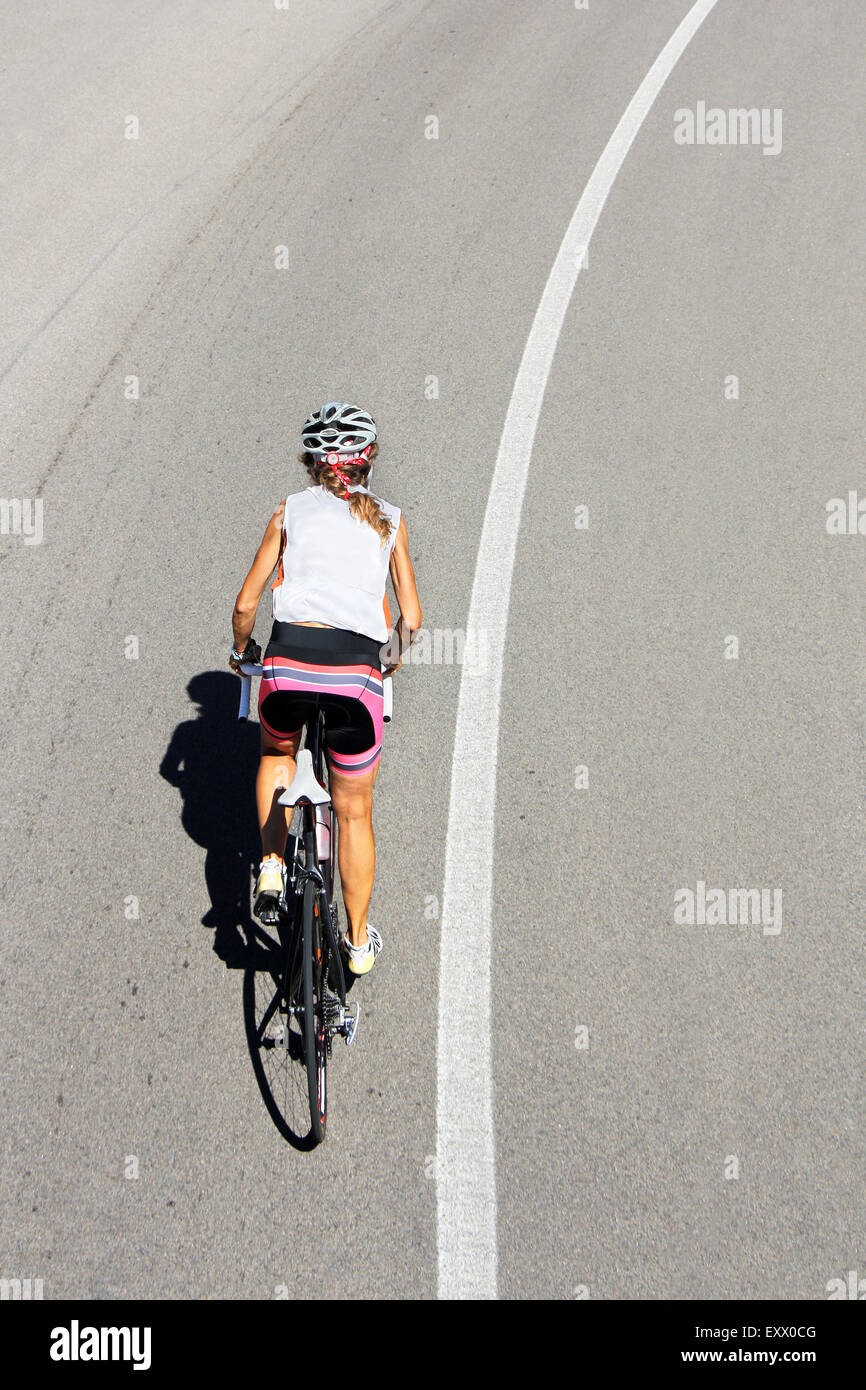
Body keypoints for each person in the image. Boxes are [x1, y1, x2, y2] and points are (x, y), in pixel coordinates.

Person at [229, 403, 422, 975]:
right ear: (369, 463)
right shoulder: (390, 520)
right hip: (356, 676)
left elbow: (245, 605)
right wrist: (387, 663)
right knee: (355, 812)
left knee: (275, 751)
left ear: (312, 463)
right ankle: (358, 945)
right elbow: (410, 618)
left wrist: (244, 654)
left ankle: (269, 861)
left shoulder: (287, 513)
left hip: (289, 663)